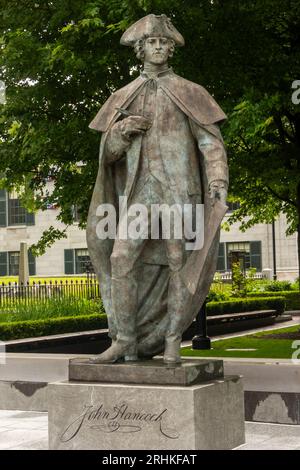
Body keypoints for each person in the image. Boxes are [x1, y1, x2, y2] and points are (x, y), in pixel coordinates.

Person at [87, 14, 228, 364]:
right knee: (120, 258)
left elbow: (211, 144)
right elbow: (108, 156)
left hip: (180, 193)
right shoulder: (123, 96)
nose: (159, 47)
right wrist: (120, 133)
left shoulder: (190, 92)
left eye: (164, 43)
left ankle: (171, 339)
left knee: (179, 261)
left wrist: (218, 179)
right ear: (141, 49)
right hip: (138, 195)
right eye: (152, 42)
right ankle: (125, 340)